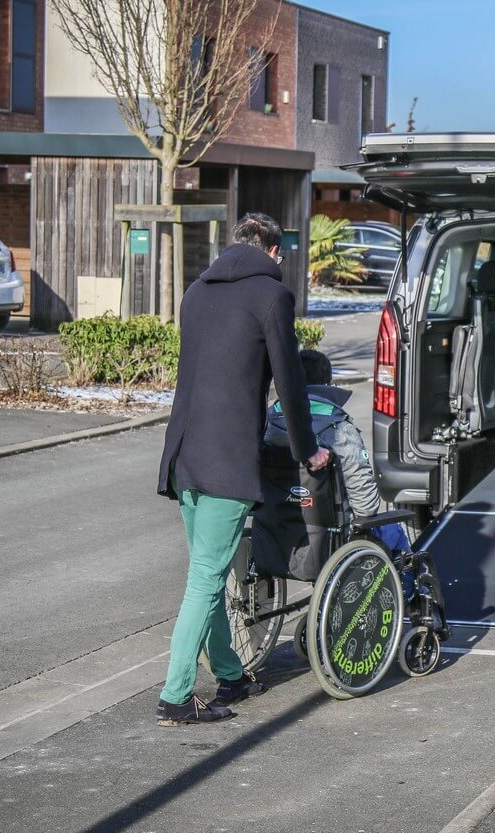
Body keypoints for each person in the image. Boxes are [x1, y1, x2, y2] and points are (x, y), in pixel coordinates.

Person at [155, 213, 330, 727]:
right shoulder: (270, 297)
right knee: (207, 576)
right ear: (273, 252)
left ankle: (230, 674)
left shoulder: (196, 293)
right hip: (228, 458)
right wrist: (307, 451)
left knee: (206, 573)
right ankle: (176, 696)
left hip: (183, 454)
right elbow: (290, 381)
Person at [263, 349, 412, 557]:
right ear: (327, 384)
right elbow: (366, 506)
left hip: (276, 530)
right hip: (331, 539)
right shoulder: (339, 429)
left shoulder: (267, 424)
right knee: (394, 532)